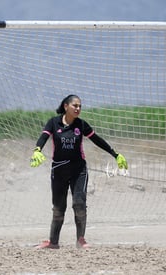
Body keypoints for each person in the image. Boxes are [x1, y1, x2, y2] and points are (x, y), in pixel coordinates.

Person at [30, 94, 128, 249]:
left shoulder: (81, 125)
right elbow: (43, 137)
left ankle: (81, 239)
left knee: (79, 203)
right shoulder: (53, 123)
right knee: (58, 208)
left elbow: (97, 140)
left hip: (78, 170)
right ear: (66, 106)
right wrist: (37, 150)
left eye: (80, 106)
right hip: (59, 170)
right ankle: (53, 242)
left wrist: (115, 154)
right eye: (75, 105)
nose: (78, 108)